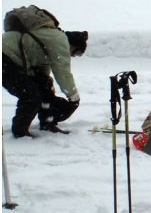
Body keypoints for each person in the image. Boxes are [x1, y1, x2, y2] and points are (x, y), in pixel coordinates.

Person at [2, 7, 87, 137]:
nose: (74, 56)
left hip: (11, 60)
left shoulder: (50, 37)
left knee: (44, 88)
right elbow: (63, 72)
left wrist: (46, 90)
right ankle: (20, 132)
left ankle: (48, 123)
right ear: (73, 46)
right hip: (5, 58)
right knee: (31, 96)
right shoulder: (59, 40)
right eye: (77, 53)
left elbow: (42, 72)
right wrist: (73, 96)